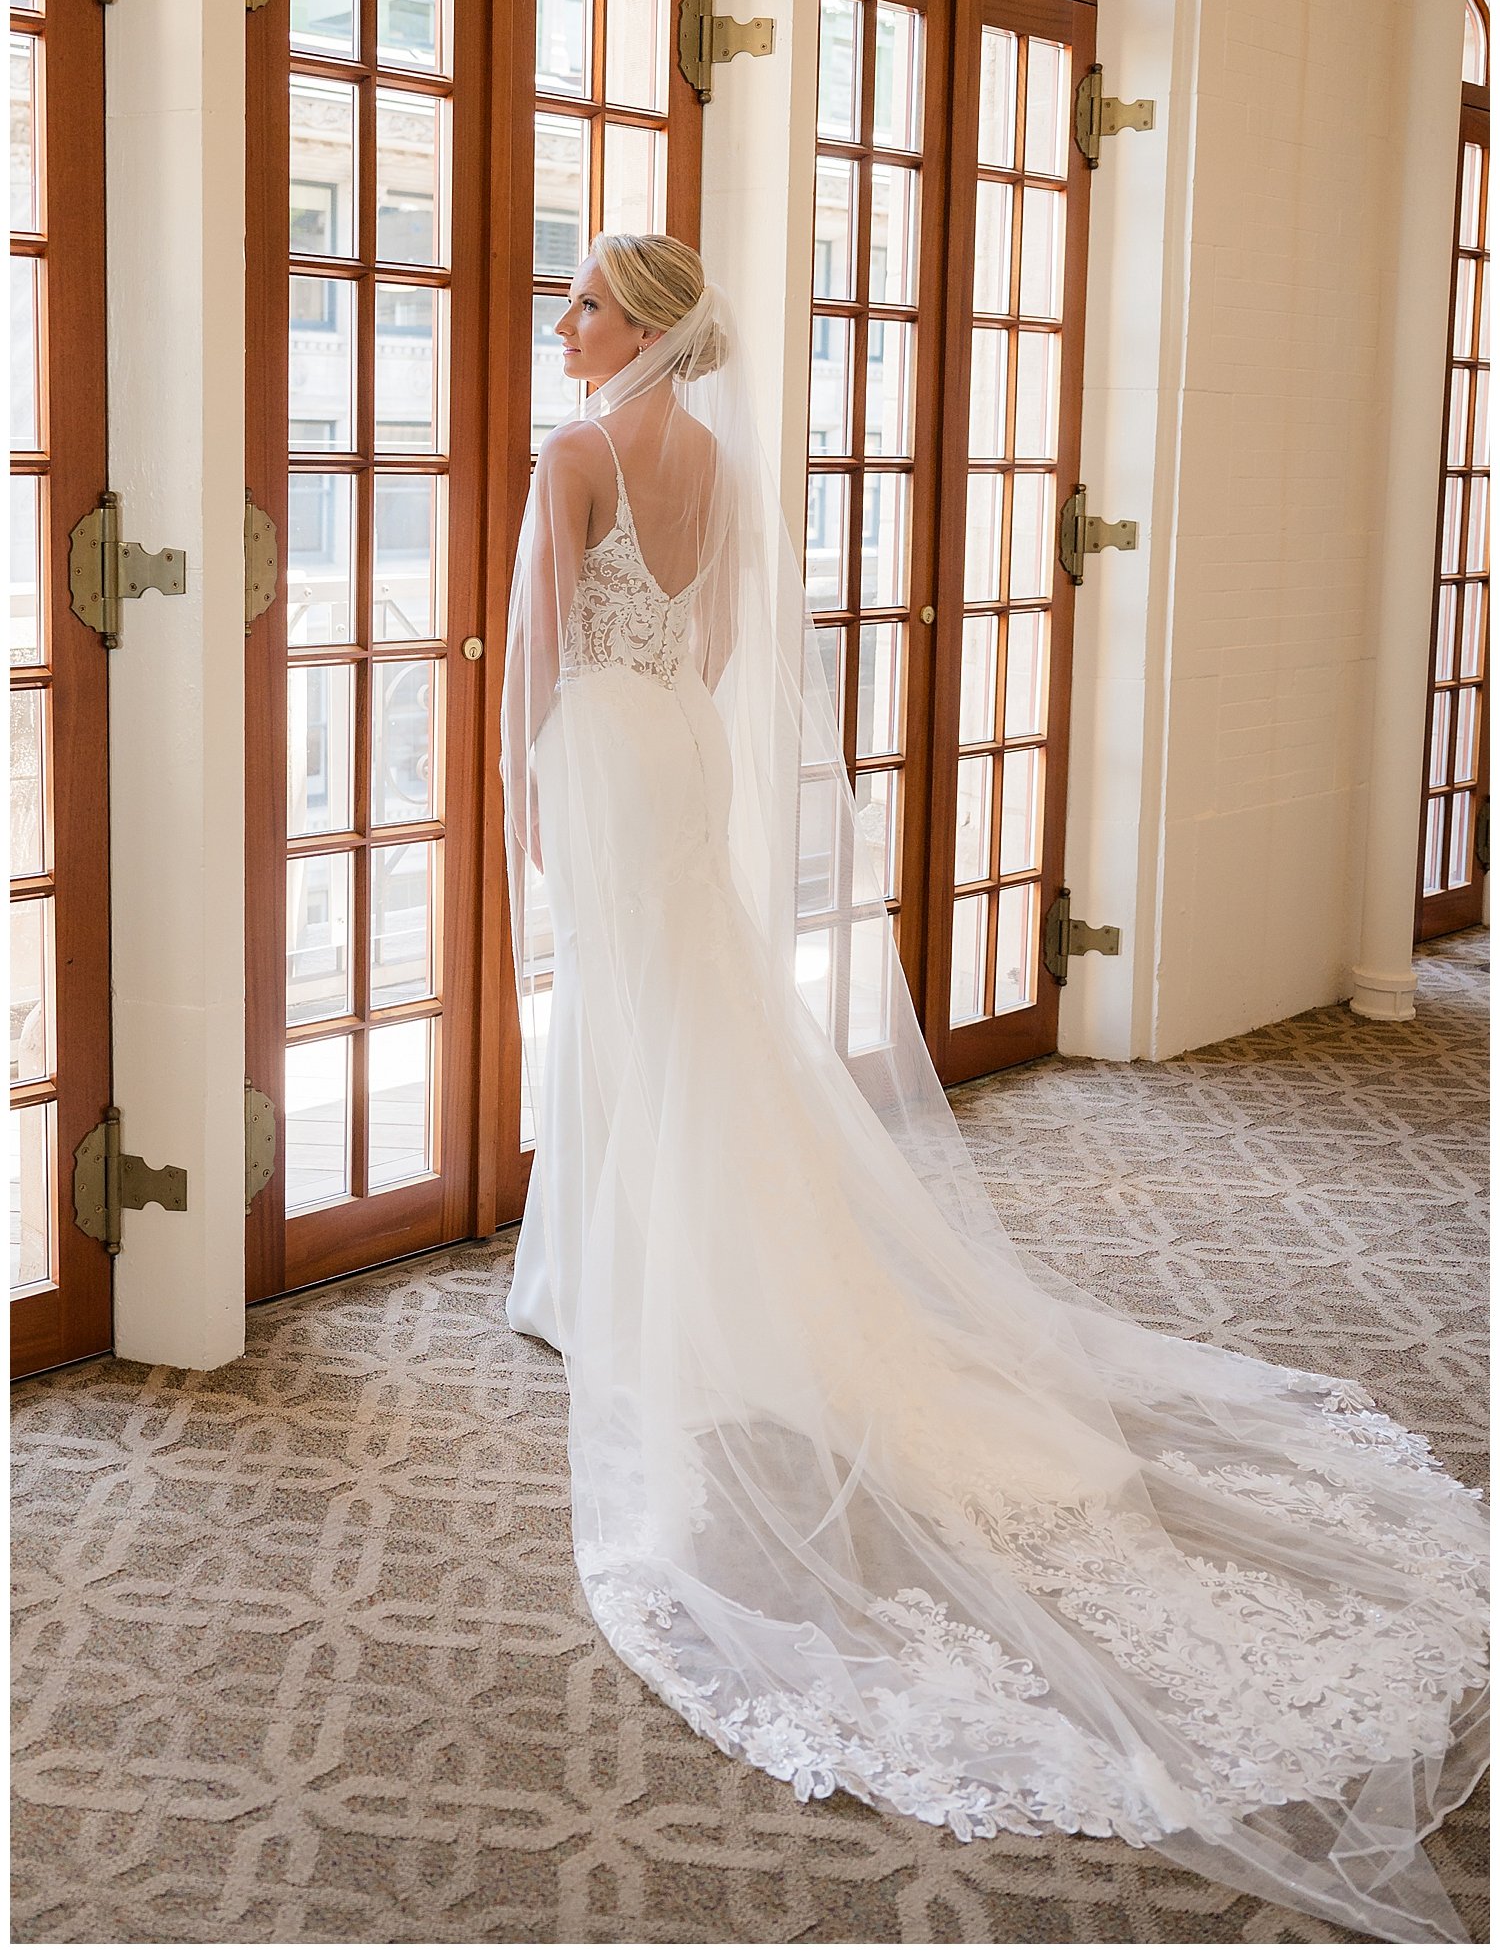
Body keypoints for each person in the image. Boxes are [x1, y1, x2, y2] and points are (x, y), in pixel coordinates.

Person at [500, 233, 1487, 1943]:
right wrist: (647, 733)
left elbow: (524, 666)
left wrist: (529, 796)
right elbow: (723, 642)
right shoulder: (713, 457)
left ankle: (618, 1279)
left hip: (602, 754)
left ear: (641, 325)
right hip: (677, 751)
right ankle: (626, 1266)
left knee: (630, 1022)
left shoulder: (574, 452)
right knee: (696, 1018)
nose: (563, 321)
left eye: (583, 299)